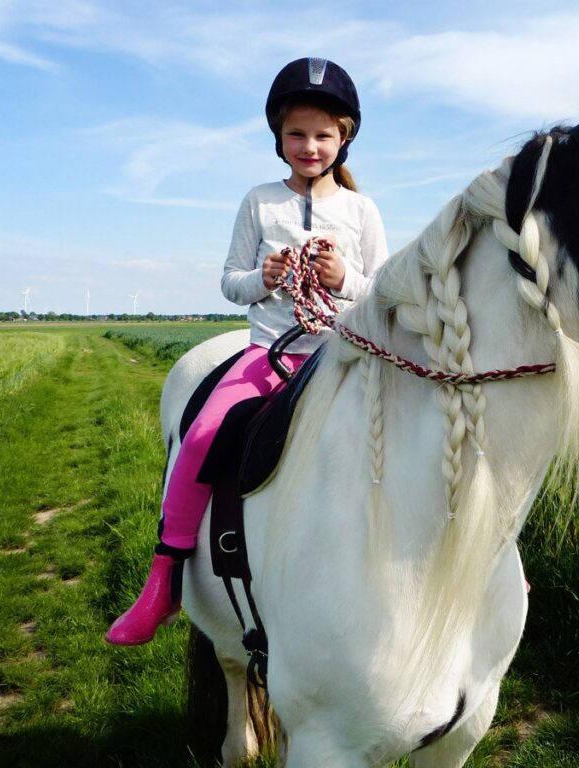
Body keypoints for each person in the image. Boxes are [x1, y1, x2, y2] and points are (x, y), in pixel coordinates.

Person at [106, 57, 388, 646]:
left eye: (323, 135)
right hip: (271, 353)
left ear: (344, 138)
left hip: (343, 353)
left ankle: (485, 562)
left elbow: (380, 293)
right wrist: (263, 277)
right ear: (278, 138)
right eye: (296, 134)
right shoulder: (259, 202)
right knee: (201, 435)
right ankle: (164, 581)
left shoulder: (362, 211)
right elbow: (230, 283)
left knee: (426, 424)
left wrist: (342, 280)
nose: (309, 146)